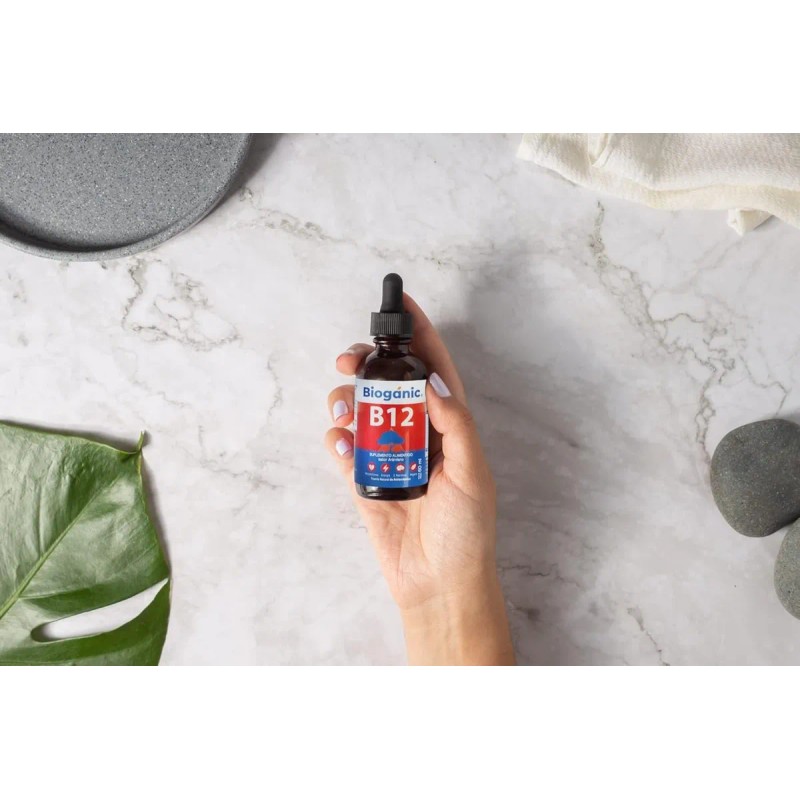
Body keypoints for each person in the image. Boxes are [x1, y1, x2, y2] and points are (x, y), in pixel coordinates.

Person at [324, 294, 515, 665]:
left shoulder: (412, 368)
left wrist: (450, 587)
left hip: (416, 480)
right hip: (395, 485)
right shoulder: (372, 369)